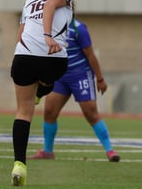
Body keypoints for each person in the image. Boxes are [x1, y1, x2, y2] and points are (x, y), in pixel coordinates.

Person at [10, 0, 74, 186]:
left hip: (22, 59)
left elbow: (21, 34)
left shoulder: (28, 1)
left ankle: (19, 164)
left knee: (23, 112)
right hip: (52, 59)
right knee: (51, 79)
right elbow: (49, 6)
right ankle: (42, 89)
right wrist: (48, 36)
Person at [29, 17, 121, 162]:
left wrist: (100, 79)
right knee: (49, 112)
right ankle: (47, 152)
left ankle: (110, 151)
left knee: (91, 113)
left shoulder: (78, 28)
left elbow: (90, 55)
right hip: (59, 76)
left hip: (80, 75)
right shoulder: (47, 28)